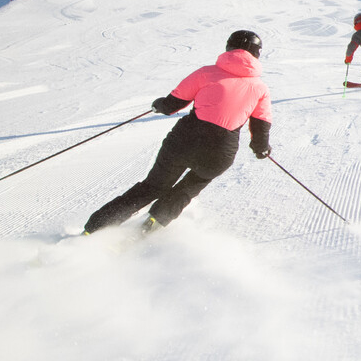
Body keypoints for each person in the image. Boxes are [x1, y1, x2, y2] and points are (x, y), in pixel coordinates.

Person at [83, 30, 272, 234]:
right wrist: (261, 148)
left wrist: (159, 105)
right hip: (219, 153)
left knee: (152, 186)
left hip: (185, 141)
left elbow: (173, 103)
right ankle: (151, 225)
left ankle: (95, 229)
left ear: (228, 47)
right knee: (189, 187)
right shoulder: (260, 88)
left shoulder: (206, 72)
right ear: (257, 54)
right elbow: (261, 124)